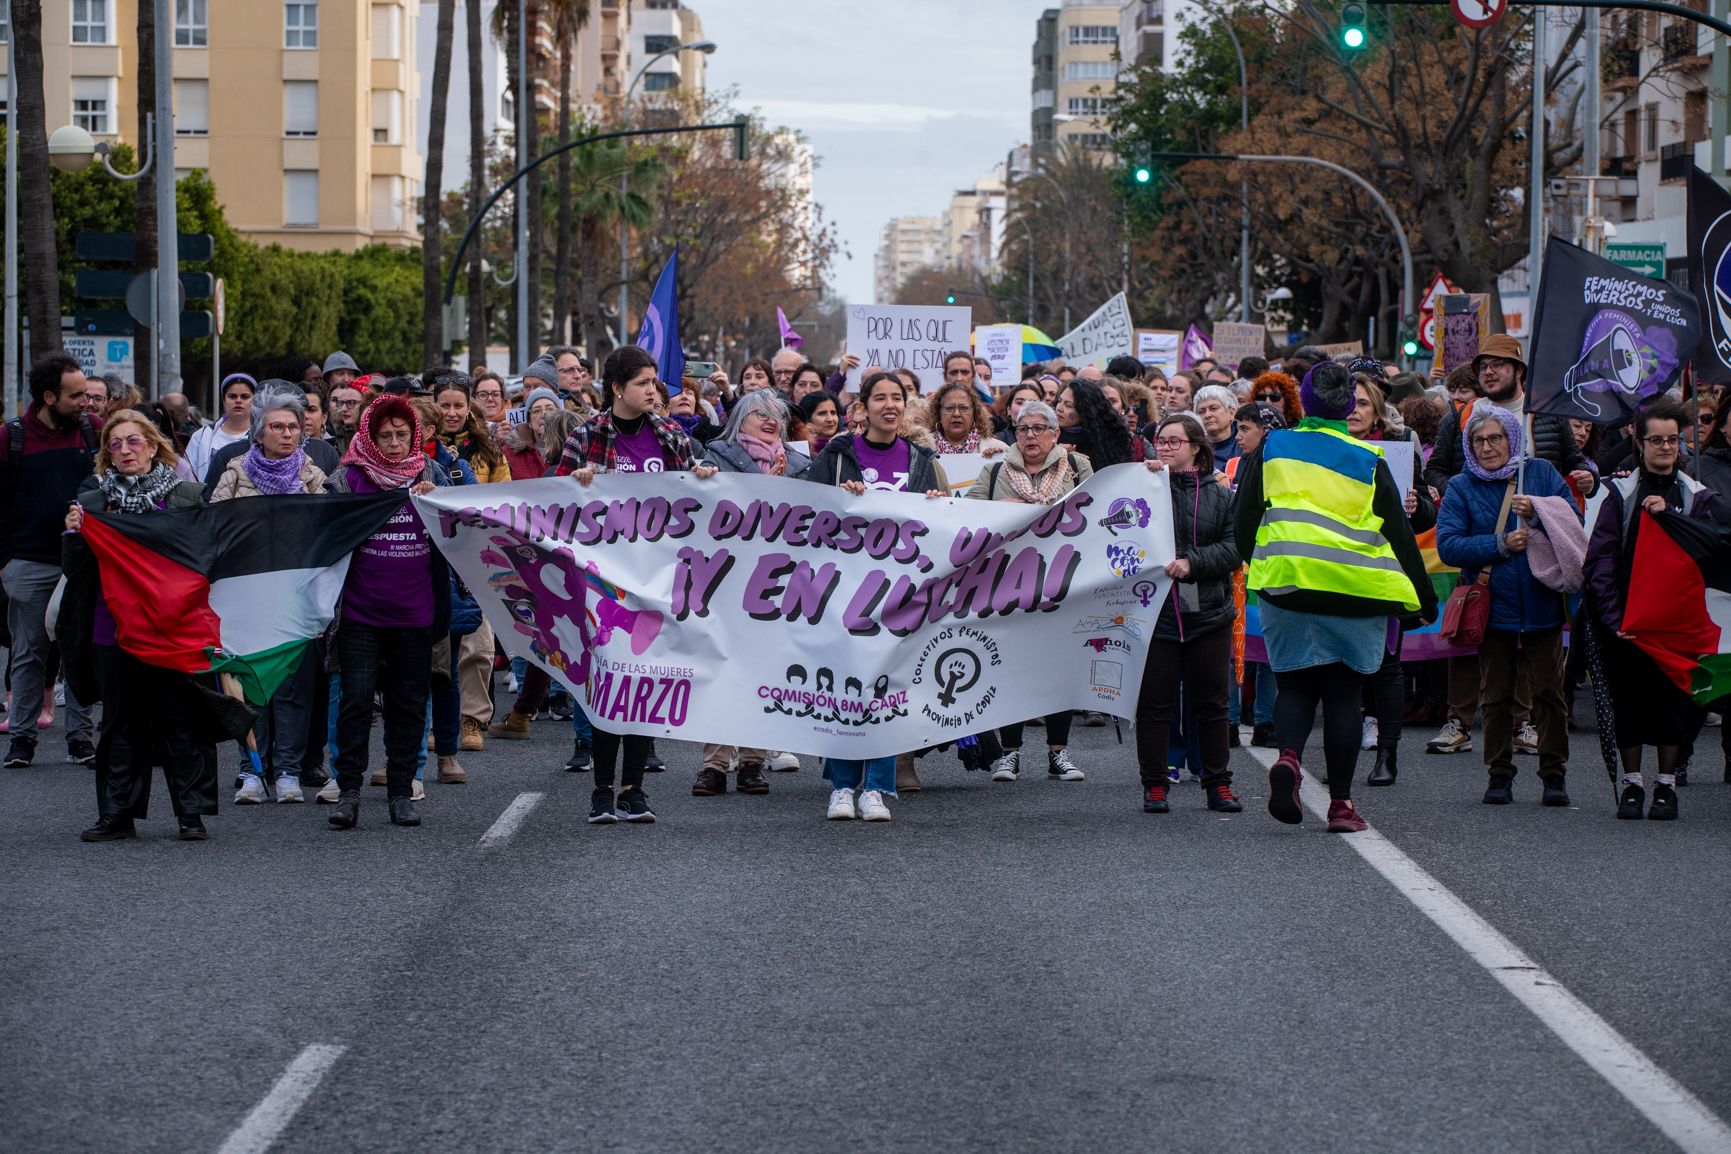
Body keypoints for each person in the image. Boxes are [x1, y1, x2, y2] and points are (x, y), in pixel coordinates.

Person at [1233, 362, 1436, 832]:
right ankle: (1341, 805)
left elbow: (1243, 520)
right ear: (1349, 407)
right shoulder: (1369, 459)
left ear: (1303, 401)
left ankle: (1287, 758)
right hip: (1356, 592)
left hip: (1287, 584)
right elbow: (1400, 536)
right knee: (1345, 696)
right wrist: (1421, 599)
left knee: (1295, 686)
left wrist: (1259, 564)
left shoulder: (1273, 448)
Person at [558, 346, 715, 823]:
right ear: (616, 388)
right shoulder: (586, 436)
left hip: (657, 579)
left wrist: (704, 479)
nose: (653, 390)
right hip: (603, 584)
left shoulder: (670, 435)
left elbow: (695, 501)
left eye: (654, 383)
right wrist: (575, 483)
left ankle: (635, 790)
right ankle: (602, 792)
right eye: (643, 383)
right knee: (608, 682)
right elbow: (548, 506)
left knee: (645, 683)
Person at [60, 411, 219, 841]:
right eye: (115, 444)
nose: (125, 451)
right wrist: (73, 535)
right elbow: (77, 572)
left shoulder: (186, 496)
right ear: (107, 455)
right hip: (110, 627)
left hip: (172, 627)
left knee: (179, 718)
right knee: (119, 721)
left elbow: (207, 559)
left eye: (133, 442)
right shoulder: (94, 501)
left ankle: (190, 813)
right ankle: (117, 814)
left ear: (152, 445)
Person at [810, 370, 949, 811]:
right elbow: (805, 514)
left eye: (898, 398)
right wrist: (839, 498)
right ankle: (841, 788)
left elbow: (944, 524)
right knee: (845, 684)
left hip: (901, 592)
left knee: (888, 686)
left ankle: (878, 787)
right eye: (881, 398)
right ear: (863, 407)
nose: (890, 405)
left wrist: (935, 506)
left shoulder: (922, 460)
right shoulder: (837, 456)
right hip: (845, 590)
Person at [1436, 405, 1577, 806]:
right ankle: (1499, 774)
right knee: (1495, 695)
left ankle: (1554, 775)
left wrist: (1538, 515)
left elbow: (1572, 523)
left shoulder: (1541, 475)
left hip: (1541, 601)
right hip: (1492, 607)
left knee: (1549, 693)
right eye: (1478, 440)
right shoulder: (1462, 486)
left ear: (1512, 439)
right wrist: (1498, 545)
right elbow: (1448, 545)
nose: (1487, 447)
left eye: (1495, 438)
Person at [326, 395, 452, 830]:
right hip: (360, 613)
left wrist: (440, 503)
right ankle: (349, 791)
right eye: (385, 436)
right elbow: (325, 532)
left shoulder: (430, 474)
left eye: (402, 435)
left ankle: (401, 791)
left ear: (415, 435)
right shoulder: (348, 478)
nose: (395, 443)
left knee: (409, 704)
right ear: (370, 436)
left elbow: (462, 530)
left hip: (416, 612)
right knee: (355, 702)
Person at [1585, 401, 1712, 821]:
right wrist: (1612, 618)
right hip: (1628, 625)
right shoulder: (1620, 494)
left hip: (1677, 625)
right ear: (1639, 444)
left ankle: (1667, 785)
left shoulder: (1695, 497)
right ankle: (1633, 784)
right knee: (1630, 703)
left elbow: (1708, 552)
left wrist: (1672, 516)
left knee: (1674, 704)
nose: (1665, 447)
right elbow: (1600, 560)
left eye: (1672, 440)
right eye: (1656, 439)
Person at [689, 390, 812, 798]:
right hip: (726, 578)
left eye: (775, 413)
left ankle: (754, 761)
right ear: (740, 419)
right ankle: (714, 765)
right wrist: (701, 480)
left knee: (762, 669)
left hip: (776, 582)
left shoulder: (799, 465)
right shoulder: (716, 456)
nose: (769, 419)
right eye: (759, 413)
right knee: (722, 668)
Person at [209, 390, 329, 805]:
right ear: (258, 433)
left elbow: (327, 542)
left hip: (295, 599)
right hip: (245, 597)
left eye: (294, 426)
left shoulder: (313, 478)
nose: (287, 433)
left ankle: (289, 773)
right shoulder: (234, 474)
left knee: (293, 688)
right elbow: (214, 532)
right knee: (248, 686)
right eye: (277, 426)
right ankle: (252, 772)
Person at [966, 400, 1093, 783]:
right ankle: (1010, 753)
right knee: (1009, 667)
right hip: (1009, 583)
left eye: (1040, 428)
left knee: (1058, 669)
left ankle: (1059, 753)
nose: (1031, 436)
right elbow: (965, 515)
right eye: (1023, 429)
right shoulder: (994, 470)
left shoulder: (1077, 467)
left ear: (1055, 433)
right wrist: (998, 509)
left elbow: (1099, 508)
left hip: (1064, 581)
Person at [1135, 413, 1242, 813]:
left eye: (1173, 441)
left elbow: (1235, 548)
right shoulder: (1143, 487)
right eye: (1160, 440)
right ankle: (1155, 785)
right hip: (1156, 614)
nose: (1163, 447)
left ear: (1195, 447)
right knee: (1154, 704)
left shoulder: (1220, 493)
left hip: (1209, 613)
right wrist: (1140, 480)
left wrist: (1192, 562)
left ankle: (1218, 785)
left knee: (1212, 705)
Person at [2, 351, 100, 769]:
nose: (87, 402)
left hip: (83, 560)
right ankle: (21, 739)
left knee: (80, 648)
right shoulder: (12, 437)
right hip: (28, 562)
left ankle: (80, 738)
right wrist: (5, 562)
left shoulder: (93, 432)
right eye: (76, 395)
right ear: (48, 396)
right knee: (28, 652)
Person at [183, 373, 256, 483]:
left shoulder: (262, 437)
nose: (238, 401)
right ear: (224, 402)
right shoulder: (200, 436)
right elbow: (187, 477)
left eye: (245, 396)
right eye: (232, 396)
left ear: (254, 401)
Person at [930, 380, 1007, 457]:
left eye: (964, 408)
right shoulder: (922, 450)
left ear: (974, 414)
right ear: (939, 414)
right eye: (949, 408)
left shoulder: (999, 448)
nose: (956, 414)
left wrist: (997, 462)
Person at [504, 387, 561, 480]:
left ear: (560, 416)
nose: (544, 415)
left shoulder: (573, 448)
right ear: (529, 422)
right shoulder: (509, 452)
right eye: (537, 410)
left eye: (550, 409)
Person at [1192, 384, 1240, 470]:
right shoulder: (1193, 447)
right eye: (1201, 411)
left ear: (1231, 413)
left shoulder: (1244, 444)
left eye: (1213, 408)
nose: (1207, 415)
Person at [791, 391, 841, 456]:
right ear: (807, 418)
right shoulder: (797, 450)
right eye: (822, 414)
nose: (830, 419)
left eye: (833, 413)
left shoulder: (846, 446)